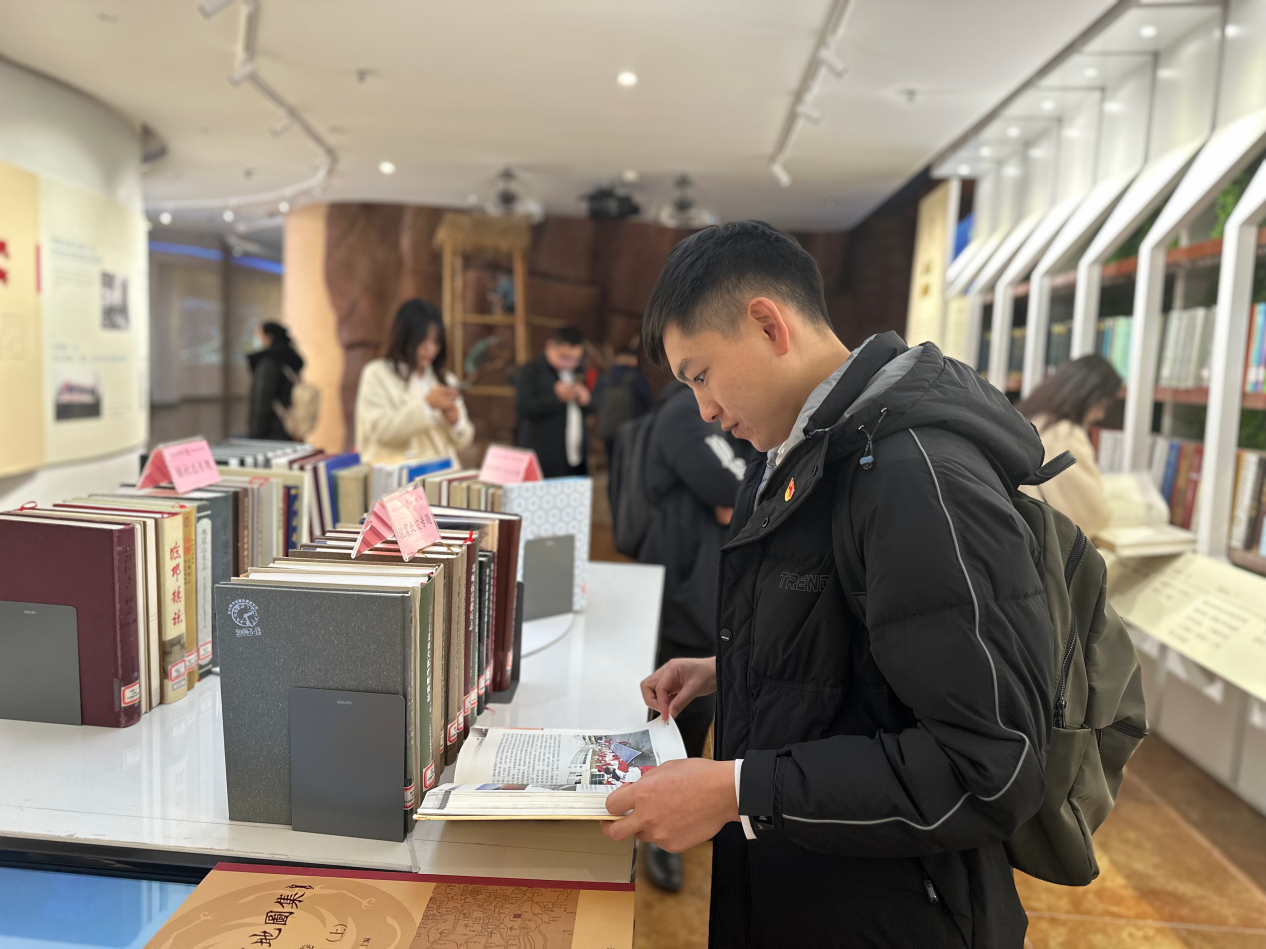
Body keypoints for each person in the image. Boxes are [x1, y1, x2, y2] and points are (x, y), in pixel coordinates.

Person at [602, 221, 1053, 948]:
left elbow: (989, 765)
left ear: (767, 323)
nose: (704, 410)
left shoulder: (916, 474)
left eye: (700, 374)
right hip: (806, 888)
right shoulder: (803, 453)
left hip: (895, 912)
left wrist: (736, 789)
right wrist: (734, 669)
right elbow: (872, 652)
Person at [635, 378, 753, 892]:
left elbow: (754, 480)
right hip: (684, 585)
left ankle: (678, 816)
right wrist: (738, 499)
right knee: (670, 710)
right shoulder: (681, 413)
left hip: (711, 583)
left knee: (696, 700)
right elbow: (733, 486)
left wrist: (741, 498)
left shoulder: (722, 412)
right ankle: (656, 831)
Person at [355, 299, 474, 464]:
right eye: (423, 340)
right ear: (404, 336)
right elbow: (380, 431)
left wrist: (456, 422)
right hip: (396, 480)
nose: (430, 348)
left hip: (440, 478)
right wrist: (426, 406)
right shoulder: (377, 373)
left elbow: (463, 440)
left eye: (436, 341)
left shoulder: (446, 379)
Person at [1016, 355, 1123, 538]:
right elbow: (1091, 514)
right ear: (1088, 396)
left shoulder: (1026, 418)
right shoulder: (1064, 434)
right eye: (1102, 404)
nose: (1100, 415)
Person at [514, 326, 591, 477]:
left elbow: (590, 407)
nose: (570, 363)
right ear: (550, 346)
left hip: (574, 453)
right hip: (542, 454)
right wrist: (556, 397)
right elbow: (523, 407)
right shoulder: (531, 371)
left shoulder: (579, 372)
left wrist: (586, 399)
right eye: (564, 357)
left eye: (575, 359)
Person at [592, 337, 655, 461]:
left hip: (607, 431)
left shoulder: (604, 378)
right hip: (632, 433)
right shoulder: (638, 379)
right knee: (629, 469)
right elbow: (650, 404)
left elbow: (594, 403)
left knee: (612, 465)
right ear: (633, 359)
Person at [247, 321, 304, 440]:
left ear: (269, 337)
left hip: (271, 432)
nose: (258, 340)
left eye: (260, 336)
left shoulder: (268, 363)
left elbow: (262, 401)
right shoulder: (290, 360)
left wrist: (255, 434)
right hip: (292, 426)